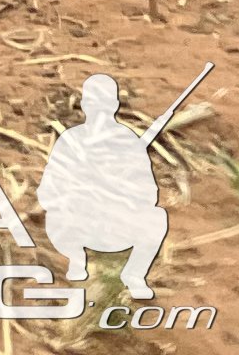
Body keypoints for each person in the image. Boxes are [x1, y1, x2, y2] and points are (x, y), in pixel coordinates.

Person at [37, 75, 168, 299]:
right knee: (58, 214)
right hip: (76, 223)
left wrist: (121, 193)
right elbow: (47, 190)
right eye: (93, 101)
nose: (98, 109)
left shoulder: (128, 142)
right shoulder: (71, 140)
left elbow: (149, 193)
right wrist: (78, 192)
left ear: (115, 105)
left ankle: (134, 275)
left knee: (157, 218)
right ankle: (76, 263)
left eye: (104, 102)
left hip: (115, 223)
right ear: (85, 104)